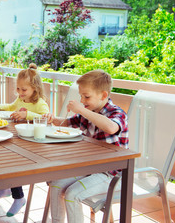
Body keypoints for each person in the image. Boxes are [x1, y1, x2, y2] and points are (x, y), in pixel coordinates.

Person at [43, 69, 128, 223]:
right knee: (55, 185)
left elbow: (111, 127)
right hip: (89, 168)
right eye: (81, 96)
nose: (82, 100)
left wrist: (82, 110)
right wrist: (51, 118)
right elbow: (67, 122)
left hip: (111, 174)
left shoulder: (117, 113)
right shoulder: (89, 111)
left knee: (72, 195)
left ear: (103, 95)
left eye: (86, 96)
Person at [0, 63, 50, 216]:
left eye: (24, 89)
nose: (20, 92)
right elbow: (11, 107)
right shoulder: (20, 100)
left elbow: (46, 120)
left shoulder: (40, 104)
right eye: (18, 89)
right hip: (20, 139)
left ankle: (19, 198)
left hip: (34, 145)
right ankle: (5, 188)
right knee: (0, 156)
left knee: (14, 164)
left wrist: (26, 115)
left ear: (34, 88)